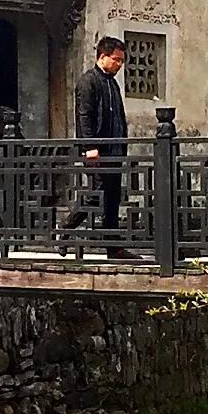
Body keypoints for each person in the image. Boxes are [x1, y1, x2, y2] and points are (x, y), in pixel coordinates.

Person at [62, 36, 132, 254]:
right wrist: (90, 146)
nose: (119, 65)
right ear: (103, 57)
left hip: (114, 150)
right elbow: (84, 116)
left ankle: (114, 247)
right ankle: (66, 228)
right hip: (97, 151)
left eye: (122, 61)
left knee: (112, 198)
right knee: (95, 195)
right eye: (116, 60)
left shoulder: (112, 84)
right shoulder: (88, 82)